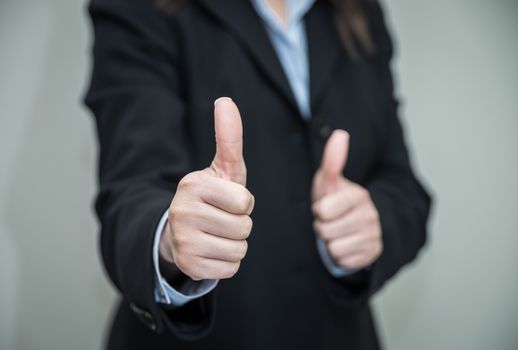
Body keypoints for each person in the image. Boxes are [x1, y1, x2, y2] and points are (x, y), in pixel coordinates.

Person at [84, 0, 432, 348]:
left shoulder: (359, 11)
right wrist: (169, 240)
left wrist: (372, 222)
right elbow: (131, 190)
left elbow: (402, 185)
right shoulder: (139, 7)